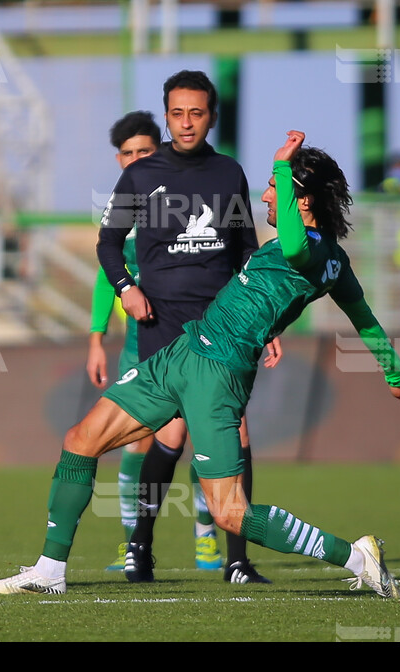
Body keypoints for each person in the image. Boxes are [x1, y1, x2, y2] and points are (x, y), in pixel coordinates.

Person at [0, 130, 400, 598]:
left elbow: (302, 254)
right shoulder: (330, 258)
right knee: (81, 440)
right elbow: (368, 323)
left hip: (218, 374)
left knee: (228, 511)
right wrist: (396, 375)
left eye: (276, 188)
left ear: (304, 199)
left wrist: (281, 163)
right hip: (183, 352)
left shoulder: (312, 250)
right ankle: (50, 570)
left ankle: (357, 556)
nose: (267, 195)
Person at [100, 71, 279, 584]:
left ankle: (238, 559)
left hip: (225, 324)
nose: (186, 123)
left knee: (234, 430)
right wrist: (125, 289)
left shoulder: (229, 173)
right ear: (166, 115)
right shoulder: (140, 175)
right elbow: (108, 243)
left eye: (196, 113)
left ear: (211, 117)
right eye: (177, 113)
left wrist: (263, 317)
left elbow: (247, 250)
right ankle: (141, 546)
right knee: (172, 434)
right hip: (162, 324)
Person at [88, 111, 159, 571]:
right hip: (137, 338)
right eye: (128, 153)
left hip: (192, 333)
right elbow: (104, 275)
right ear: (119, 159)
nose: (135, 160)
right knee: (136, 439)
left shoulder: (183, 198)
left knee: (199, 436)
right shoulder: (120, 209)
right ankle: (133, 543)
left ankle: (209, 541)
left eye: (145, 152)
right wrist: (96, 339)